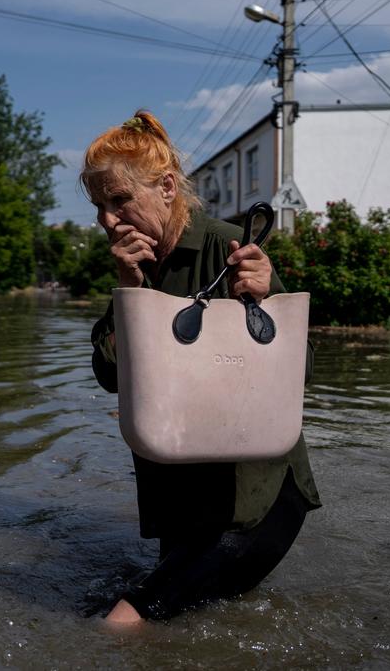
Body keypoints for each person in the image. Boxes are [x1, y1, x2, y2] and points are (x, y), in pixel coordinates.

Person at [83, 110, 320, 624]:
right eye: (98, 206)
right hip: (181, 500)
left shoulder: (228, 245)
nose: (107, 219)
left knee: (124, 622)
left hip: (254, 500)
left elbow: (300, 371)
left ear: (167, 187)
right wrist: (128, 290)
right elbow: (109, 377)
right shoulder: (137, 264)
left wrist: (262, 297)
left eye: (119, 200)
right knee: (182, 624)